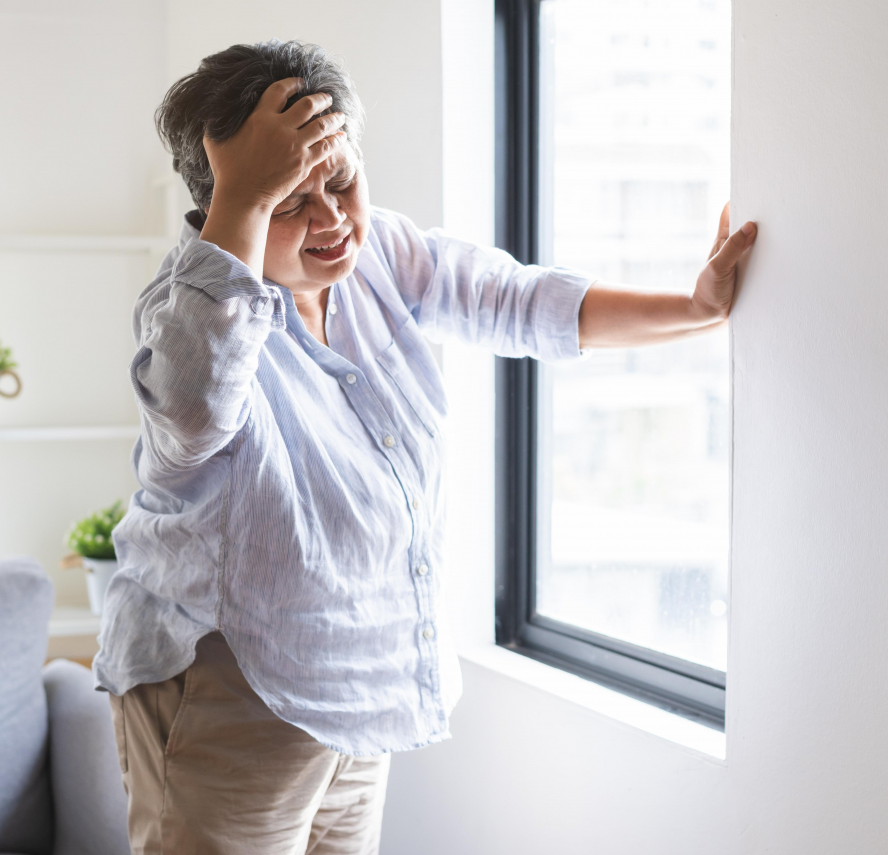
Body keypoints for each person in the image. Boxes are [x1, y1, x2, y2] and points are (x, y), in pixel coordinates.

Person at [94, 39, 756, 855]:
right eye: (291, 200)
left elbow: (515, 300)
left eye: (340, 180)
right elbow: (193, 416)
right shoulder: (190, 313)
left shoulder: (378, 260)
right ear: (229, 202)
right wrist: (247, 192)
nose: (333, 218)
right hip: (228, 687)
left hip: (353, 687)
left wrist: (695, 306)